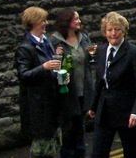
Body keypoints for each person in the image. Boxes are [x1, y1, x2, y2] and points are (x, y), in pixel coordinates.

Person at [89, 12, 136, 158]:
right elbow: (101, 81)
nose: (113, 33)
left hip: (127, 112)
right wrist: (93, 106)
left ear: (124, 32)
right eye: (109, 30)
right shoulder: (102, 51)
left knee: (133, 152)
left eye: (117, 30)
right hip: (105, 112)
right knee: (98, 152)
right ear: (105, 32)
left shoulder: (134, 53)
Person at [15, 7, 62, 158]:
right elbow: (24, 75)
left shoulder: (46, 41)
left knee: (54, 145)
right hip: (38, 107)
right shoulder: (24, 48)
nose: (46, 23)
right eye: (43, 20)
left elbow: (51, 65)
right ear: (34, 23)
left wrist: (57, 60)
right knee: (41, 149)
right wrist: (44, 67)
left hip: (52, 102)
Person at [50, 8, 95, 158]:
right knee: (68, 131)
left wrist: (92, 54)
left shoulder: (84, 37)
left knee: (80, 129)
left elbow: (90, 61)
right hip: (67, 93)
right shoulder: (56, 41)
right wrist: (58, 57)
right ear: (67, 22)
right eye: (76, 19)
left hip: (84, 91)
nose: (79, 21)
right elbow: (54, 67)